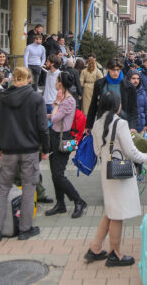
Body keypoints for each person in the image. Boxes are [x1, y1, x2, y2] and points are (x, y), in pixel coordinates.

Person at [85, 92, 147, 267]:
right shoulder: (121, 123)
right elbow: (130, 152)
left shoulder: (97, 124)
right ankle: (115, 254)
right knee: (117, 214)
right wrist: (145, 157)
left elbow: (97, 151)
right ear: (117, 105)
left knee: (111, 211)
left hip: (107, 171)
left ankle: (95, 248)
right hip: (120, 173)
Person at [0, 67, 50, 242]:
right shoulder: (36, 98)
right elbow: (43, 128)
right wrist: (45, 149)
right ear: (29, 79)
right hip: (29, 150)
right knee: (29, 188)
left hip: (7, 149)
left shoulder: (1, 97)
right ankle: (25, 229)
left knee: (2, 188)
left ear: (13, 79)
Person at [45, 72, 87, 218]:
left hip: (64, 139)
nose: (55, 82)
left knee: (58, 174)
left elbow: (56, 117)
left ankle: (78, 200)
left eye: (57, 80)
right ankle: (60, 204)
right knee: (54, 173)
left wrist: (56, 103)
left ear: (61, 83)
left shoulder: (68, 100)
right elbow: (56, 117)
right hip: (56, 136)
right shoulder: (66, 99)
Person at [86, 58, 138, 130]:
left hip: (122, 123)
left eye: (118, 70)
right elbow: (93, 105)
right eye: (113, 70)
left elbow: (134, 109)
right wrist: (89, 125)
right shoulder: (99, 84)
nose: (115, 72)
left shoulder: (129, 87)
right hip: (103, 122)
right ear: (108, 69)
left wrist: (132, 126)